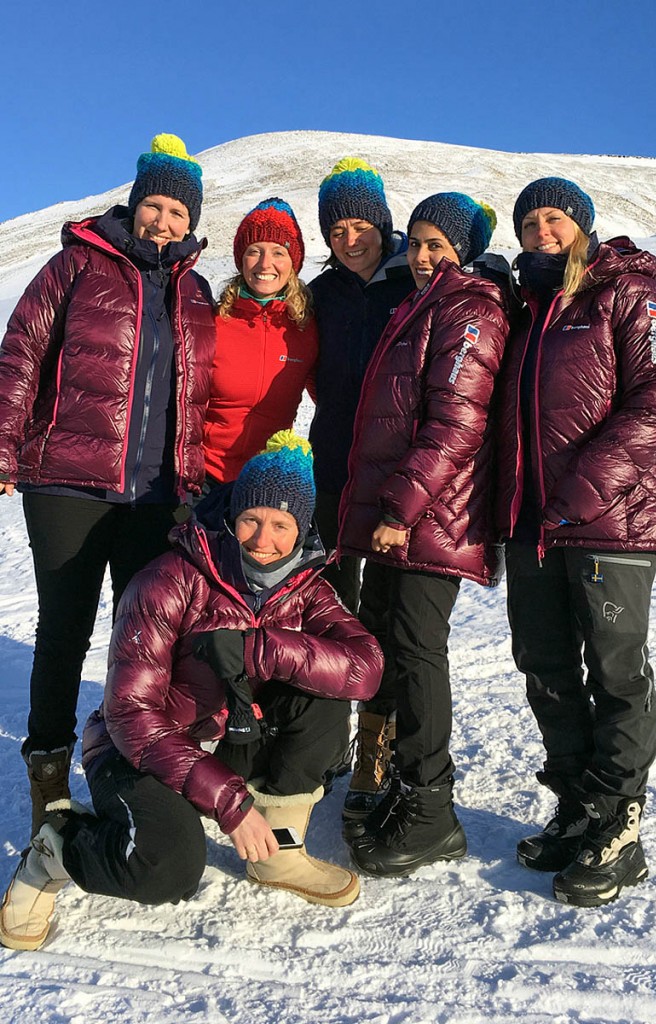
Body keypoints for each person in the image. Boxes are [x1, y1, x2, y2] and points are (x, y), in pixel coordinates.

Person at [0, 431, 384, 952]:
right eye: (251, 519)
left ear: (302, 529)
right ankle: (56, 849)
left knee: (325, 687)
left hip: (227, 740)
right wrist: (229, 802)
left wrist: (259, 650)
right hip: (141, 751)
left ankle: (278, 851)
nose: (262, 539)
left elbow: (365, 669)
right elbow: (130, 715)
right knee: (168, 869)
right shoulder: (169, 580)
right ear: (231, 516)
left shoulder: (306, 588)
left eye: (281, 525)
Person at [0, 134, 216, 837]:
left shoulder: (197, 293)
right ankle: (49, 778)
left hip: (155, 494)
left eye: (177, 213)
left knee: (142, 640)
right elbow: (21, 353)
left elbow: (202, 396)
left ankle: (129, 763)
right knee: (63, 629)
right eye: (154, 205)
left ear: (191, 221)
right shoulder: (76, 266)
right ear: (134, 204)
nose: (163, 222)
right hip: (66, 480)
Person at [496, 177, 656, 907]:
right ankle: (576, 805)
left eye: (554, 218)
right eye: (529, 221)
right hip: (534, 525)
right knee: (543, 663)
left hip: (609, 520)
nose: (541, 230)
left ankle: (618, 825)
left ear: (582, 224)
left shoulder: (627, 294)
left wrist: (582, 493)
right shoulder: (527, 310)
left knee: (614, 670)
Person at [338, 192, 509, 876]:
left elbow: (455, 424)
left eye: (439, 244)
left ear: (463, 250)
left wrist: (399, 510)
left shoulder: (470, 309)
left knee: (416, 649)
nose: (424, 256)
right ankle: (403, 785)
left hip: (430, 518)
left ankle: (432, 808)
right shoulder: (423, 305)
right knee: (388, 637)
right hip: (407, 515)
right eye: (416, 243)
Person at [308, 156, 415, 818]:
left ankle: (379, 744)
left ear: (383, 222)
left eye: (361, 223)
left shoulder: (415, 281)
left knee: (390, 617)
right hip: (332, 473)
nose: (351, 237)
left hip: (399, 477)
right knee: (327, 611)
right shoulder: (321, 294)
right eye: (338, 227)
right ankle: (323, 744)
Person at [202, 197, 318, 486]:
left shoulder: (307, 329)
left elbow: (331, 400)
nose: (266, 264)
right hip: (202, 478)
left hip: (266, 480)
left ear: (294, 263)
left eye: (278, 252)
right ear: (242, 259)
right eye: (255, 251)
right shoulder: (212, 322)